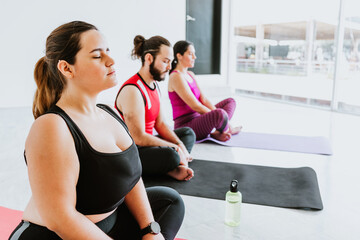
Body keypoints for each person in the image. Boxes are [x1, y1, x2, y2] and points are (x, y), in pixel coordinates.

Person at [9, 21, 184, 240]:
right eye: (97, 56)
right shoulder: (52, 126)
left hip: (107, 225)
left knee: (170, 201)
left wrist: (150, 230)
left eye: (108, 52)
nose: (111, 61)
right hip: (55, 236)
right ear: (66, 68)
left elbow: (131, 174)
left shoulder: (107, 112)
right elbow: (61, 219)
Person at [115, 35, 195, 182]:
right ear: (149, 59)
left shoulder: (154, 85)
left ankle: (174, 163)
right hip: (133, 152)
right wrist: (174, 148)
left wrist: (179, 144)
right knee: (171, 154)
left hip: (148, 145)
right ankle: (172, 166)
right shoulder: (133, 90)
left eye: (171, 62)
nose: (169, 67)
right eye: (165, 62)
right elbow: (138, 137)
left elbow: (161, 124)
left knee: (187, 134)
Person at [168, 40, 242, 142]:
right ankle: (225, 130)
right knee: (219, 114)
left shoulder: (190, 74)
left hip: (199, 118)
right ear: (179, 56)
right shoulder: (176, 77)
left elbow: (203, 99)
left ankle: (218, 130)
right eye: (190, 54)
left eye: (194, 54)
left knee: (230, 102)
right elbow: (195, 106)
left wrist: (217, 115)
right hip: (186, 125)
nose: (194, 57)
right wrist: (221, 118)